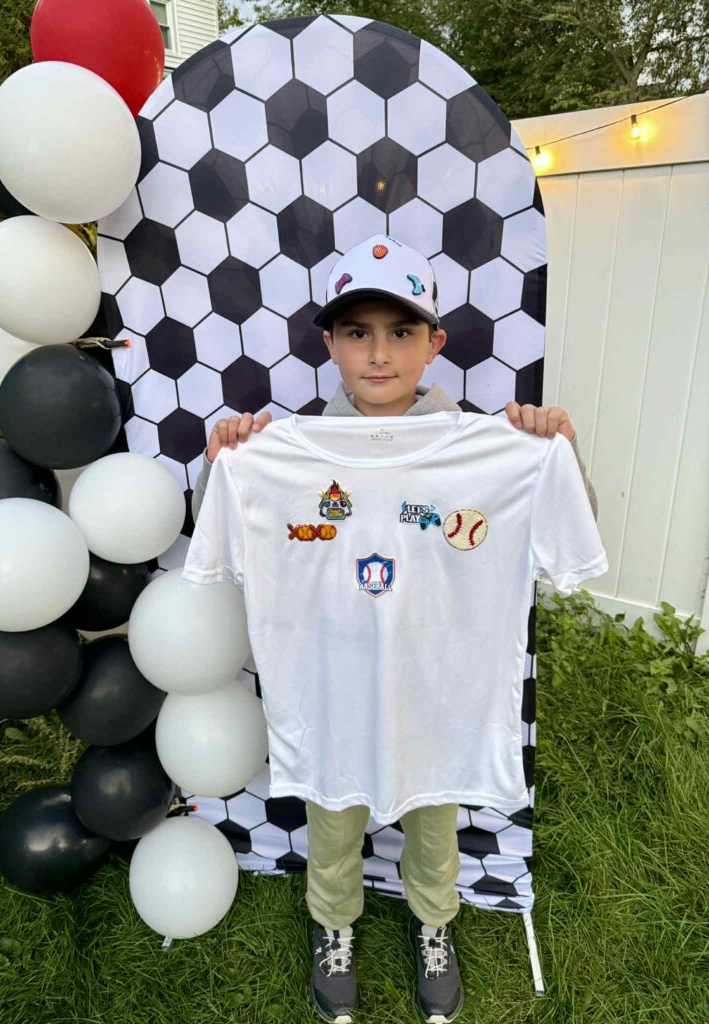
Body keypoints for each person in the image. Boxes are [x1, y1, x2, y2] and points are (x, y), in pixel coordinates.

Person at [188, 234, 599, 1024]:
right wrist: (226, 463)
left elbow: (562, 545)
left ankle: (433, 923)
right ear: (330, 344)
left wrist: (557, 453)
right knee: (332, 812)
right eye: (358, 332)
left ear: (435, 342)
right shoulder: (288, 452)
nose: (379, 353)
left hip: (440, 679)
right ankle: (333, 924)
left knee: (434, 814)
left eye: (401, 331)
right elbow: (232, 538)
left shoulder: (493, 446)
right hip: (330, 675)